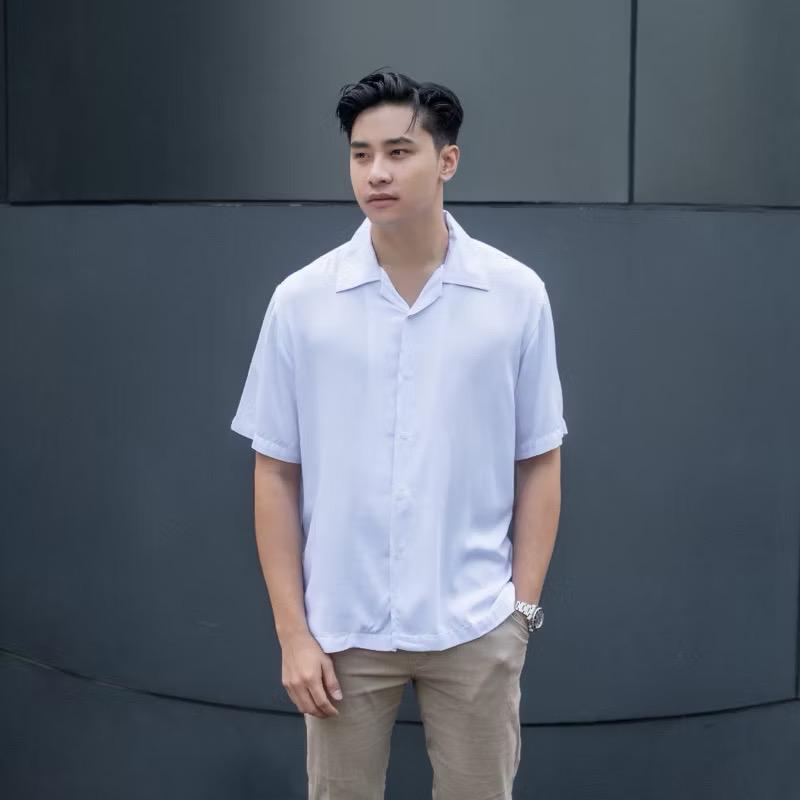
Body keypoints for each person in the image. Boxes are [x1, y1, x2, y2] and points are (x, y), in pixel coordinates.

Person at [231, 68, 568, 800]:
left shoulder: (516, 295)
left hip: (475, 625)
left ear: (447, 160)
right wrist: (293, 633)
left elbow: (539, 458)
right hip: (340, 631)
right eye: (360, 155)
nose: (376, 173)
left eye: (398, 151)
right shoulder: (301, 301)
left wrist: (520, 614)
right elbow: (275, 470)